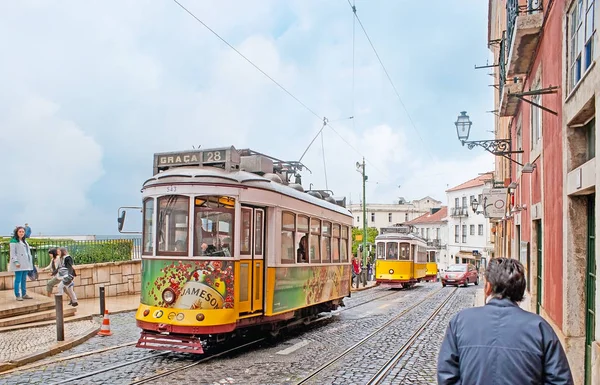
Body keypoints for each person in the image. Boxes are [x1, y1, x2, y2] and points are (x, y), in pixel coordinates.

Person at [437, 257, 573, 384]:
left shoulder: (460, 322)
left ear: (488, 287)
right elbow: (560, 380)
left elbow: (447, 377)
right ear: (520, 291)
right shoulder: (540, 327)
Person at [9, 226, 34, 301]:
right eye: (20, 231)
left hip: (25, 263)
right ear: (17, 232)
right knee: (18, 280)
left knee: (24, 280)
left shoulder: (24, 241)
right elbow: (12, 253)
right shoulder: (13, 241)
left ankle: (24, 294)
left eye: (23, 232)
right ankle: (17, 295)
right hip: (18, 264)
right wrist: (16, 261)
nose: (21, 233)